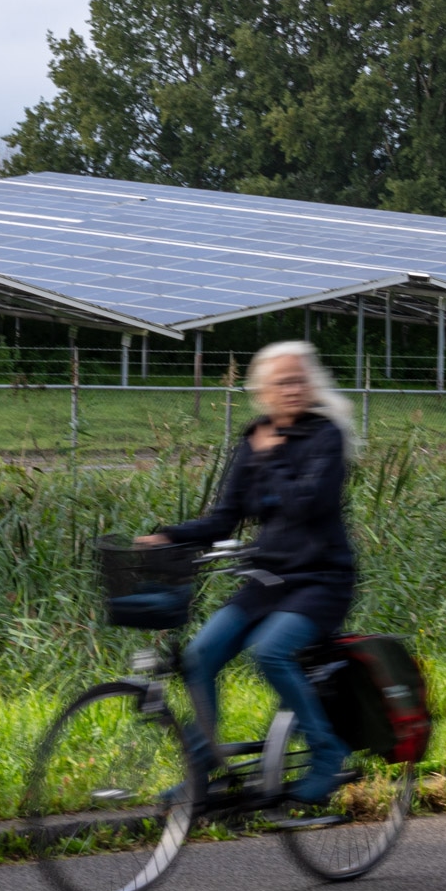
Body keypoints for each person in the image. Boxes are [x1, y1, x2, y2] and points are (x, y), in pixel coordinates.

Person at [137, 341, 359, 805]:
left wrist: (271, 456)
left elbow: (307, 505)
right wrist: (170, 536)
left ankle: (328, 752)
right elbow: (225, 517)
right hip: (267, 581)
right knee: (199, 656)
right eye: (282, 383)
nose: (293, 389)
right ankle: (203, 773)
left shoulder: (326, 436)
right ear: (262, 391)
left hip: (320, 581)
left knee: (271, 653)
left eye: (299, 380)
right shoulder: (254, 437)